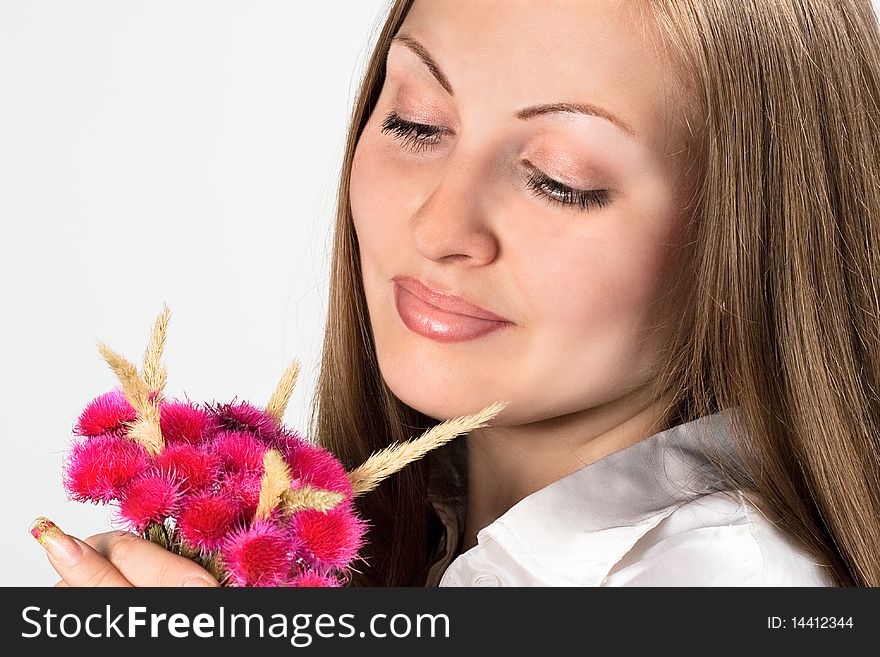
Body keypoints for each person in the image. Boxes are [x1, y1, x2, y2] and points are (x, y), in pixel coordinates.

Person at [35, 0, 880, 587]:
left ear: (750, 235)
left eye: (560, 180)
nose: (441, 225)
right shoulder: (423, 539)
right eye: (416, 122)